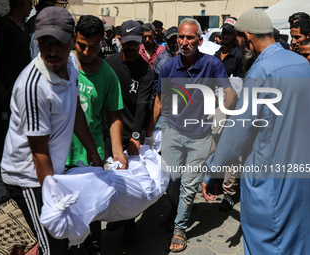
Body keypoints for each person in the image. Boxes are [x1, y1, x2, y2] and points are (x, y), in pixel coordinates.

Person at [202, 9, 310, 255]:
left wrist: (213, 172)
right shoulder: (301, 63)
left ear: (247, 38)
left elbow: (238, 132)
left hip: (271, 183)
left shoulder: (261, 72)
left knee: (269, 245)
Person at [0, 6, 103, 254]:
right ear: (37, 41)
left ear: (71, 41)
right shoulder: (34, 86)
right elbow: (38, 152)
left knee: (63, 234)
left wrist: (93, 151)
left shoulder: (71, 65)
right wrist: (53, 201)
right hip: (28, 177)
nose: (52, 51)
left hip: (50, 171)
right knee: (53, 245)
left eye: (59, 42)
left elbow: (75, 109)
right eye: (45, 43)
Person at [157, 18, 237, 252]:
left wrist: (222, 111)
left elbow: (230, 93)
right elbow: (160, 100)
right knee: (171, 181)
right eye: (181, 37)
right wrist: (151, 133)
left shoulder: (212, 65)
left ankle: (180, 227)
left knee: (189, 184)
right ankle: (177, 208)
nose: (184, 42)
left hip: (201, 135)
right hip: (173, 130)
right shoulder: (169, 67)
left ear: (200, 40)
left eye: (190, 37)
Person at [66, 15, 127, 254]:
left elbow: (114, 116)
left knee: (92, 216)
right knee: (65, 215)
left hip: (93, 156)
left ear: (102, 42)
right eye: (81, 44)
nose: (87, 50)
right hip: (62, 154)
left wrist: (117, 152)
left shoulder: (108, 75)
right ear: (74, 39)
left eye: (93, 46)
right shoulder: (63, 65)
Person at [104, 19, 155, 238]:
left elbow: (142, 105)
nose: (132, 47)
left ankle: (130, 220)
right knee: (109, 178)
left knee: (131, 180)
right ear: (120, 40)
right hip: (108, 131)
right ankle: (115, 215)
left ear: (141, 42)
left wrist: (136, 136)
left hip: (132, 131)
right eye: (127, 42)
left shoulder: (146, 70)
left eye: (135, 43)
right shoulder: (108, 64)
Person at [0, 0, 32, 166]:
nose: (31, 8)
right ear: (22, 4)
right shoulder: (3, 25)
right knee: (4, 125)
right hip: (6, 85)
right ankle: (0, 161)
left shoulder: (24, 26)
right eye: (29, 4)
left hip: (21, 87)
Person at [213, 17, 243, 211]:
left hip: (233, 110)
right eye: (223, 32)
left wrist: (224, 110)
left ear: (236, 35)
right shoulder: (216, 55)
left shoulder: (239, 55)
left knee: (232, 150)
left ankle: (229, 193)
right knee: (214, 145)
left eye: (229, 32)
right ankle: (213, 182)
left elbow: (240, 87)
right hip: (213, 107)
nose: (224, 35)